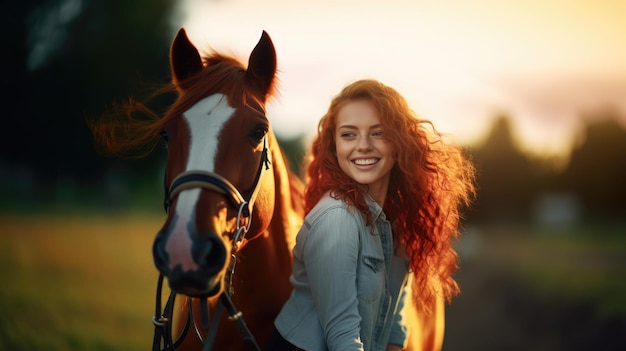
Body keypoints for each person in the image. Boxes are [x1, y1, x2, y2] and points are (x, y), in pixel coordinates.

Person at [263, 79, 475, 351]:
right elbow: (342, 339)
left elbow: (394, 320)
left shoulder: (396, 222)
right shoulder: (336, 219)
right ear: (334, 146)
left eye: (378, 133)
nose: (363, 145)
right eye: (349, 134)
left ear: (400, 144)